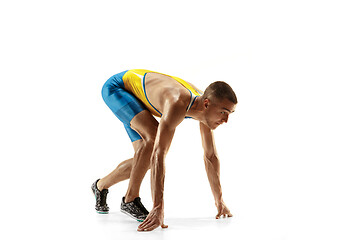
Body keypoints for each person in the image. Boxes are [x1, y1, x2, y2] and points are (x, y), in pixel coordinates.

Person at [91, 69, 237, 231]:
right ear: (207, 104)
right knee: (153, 140)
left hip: (139, 98)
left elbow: (210, 156)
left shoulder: (205, 109)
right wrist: (158, 207)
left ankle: (100, 186)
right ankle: (130, 200)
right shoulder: (177, 103)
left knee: (145, 161)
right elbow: (159, 155)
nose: (226, 120)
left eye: (230, 113)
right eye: (223, 112)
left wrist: (219, 201)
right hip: (118, 89)